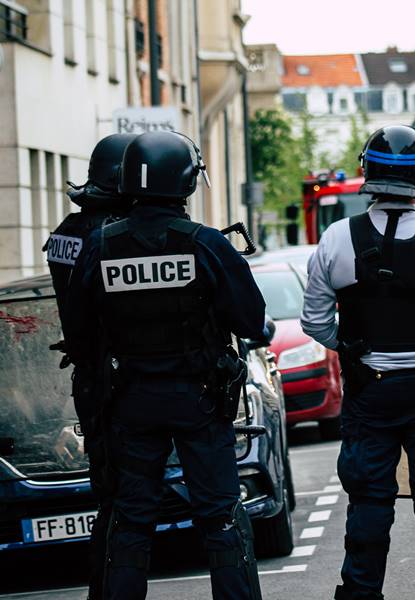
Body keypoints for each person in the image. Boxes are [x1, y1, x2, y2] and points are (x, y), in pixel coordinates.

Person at [63, 131, 267, 600]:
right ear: (186, 181)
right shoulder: (206, 244)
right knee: (220, 517)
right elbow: (251, 321)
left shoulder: (100, 245)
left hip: (130, 401)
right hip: (200, 400)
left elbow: (78, 333)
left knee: (131, 521)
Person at [301, 125, 415, 600]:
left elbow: (314, 322)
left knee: (369, 509)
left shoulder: (337, 238)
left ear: (367, 170)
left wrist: (350, 346)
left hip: (369, 392)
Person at [45, 132, 136, 600]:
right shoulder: (113, 234)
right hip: (125, 378)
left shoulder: (67, 231)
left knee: (110, 497)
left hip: (91, 379)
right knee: (131, 504)